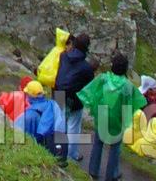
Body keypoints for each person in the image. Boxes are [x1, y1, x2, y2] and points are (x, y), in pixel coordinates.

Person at [79, 51, 145, 181]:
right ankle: (111, 175)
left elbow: (90, 94)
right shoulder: (127, 86)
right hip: (117, 122)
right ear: (125, 68)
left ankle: (93, 171)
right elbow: (136, 103)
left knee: (98, 143)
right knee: (115, 148)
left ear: (112, 66)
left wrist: (94, 109)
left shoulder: (103, 79)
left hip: (102, 117)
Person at [53, 31, 97, 167]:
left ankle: (57, 150)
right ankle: (71, 155)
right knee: (73, 127)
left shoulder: (63, 56)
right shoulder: (87, 68)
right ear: (87, 48)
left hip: (59, 93)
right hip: (75, 99)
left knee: (60, 123)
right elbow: (89, 87)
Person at [15, 82, 59, 154]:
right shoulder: (52, 105)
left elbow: (17, 134)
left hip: (38, 151)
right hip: (53, 148)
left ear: (29, 96)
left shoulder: (29, 115)